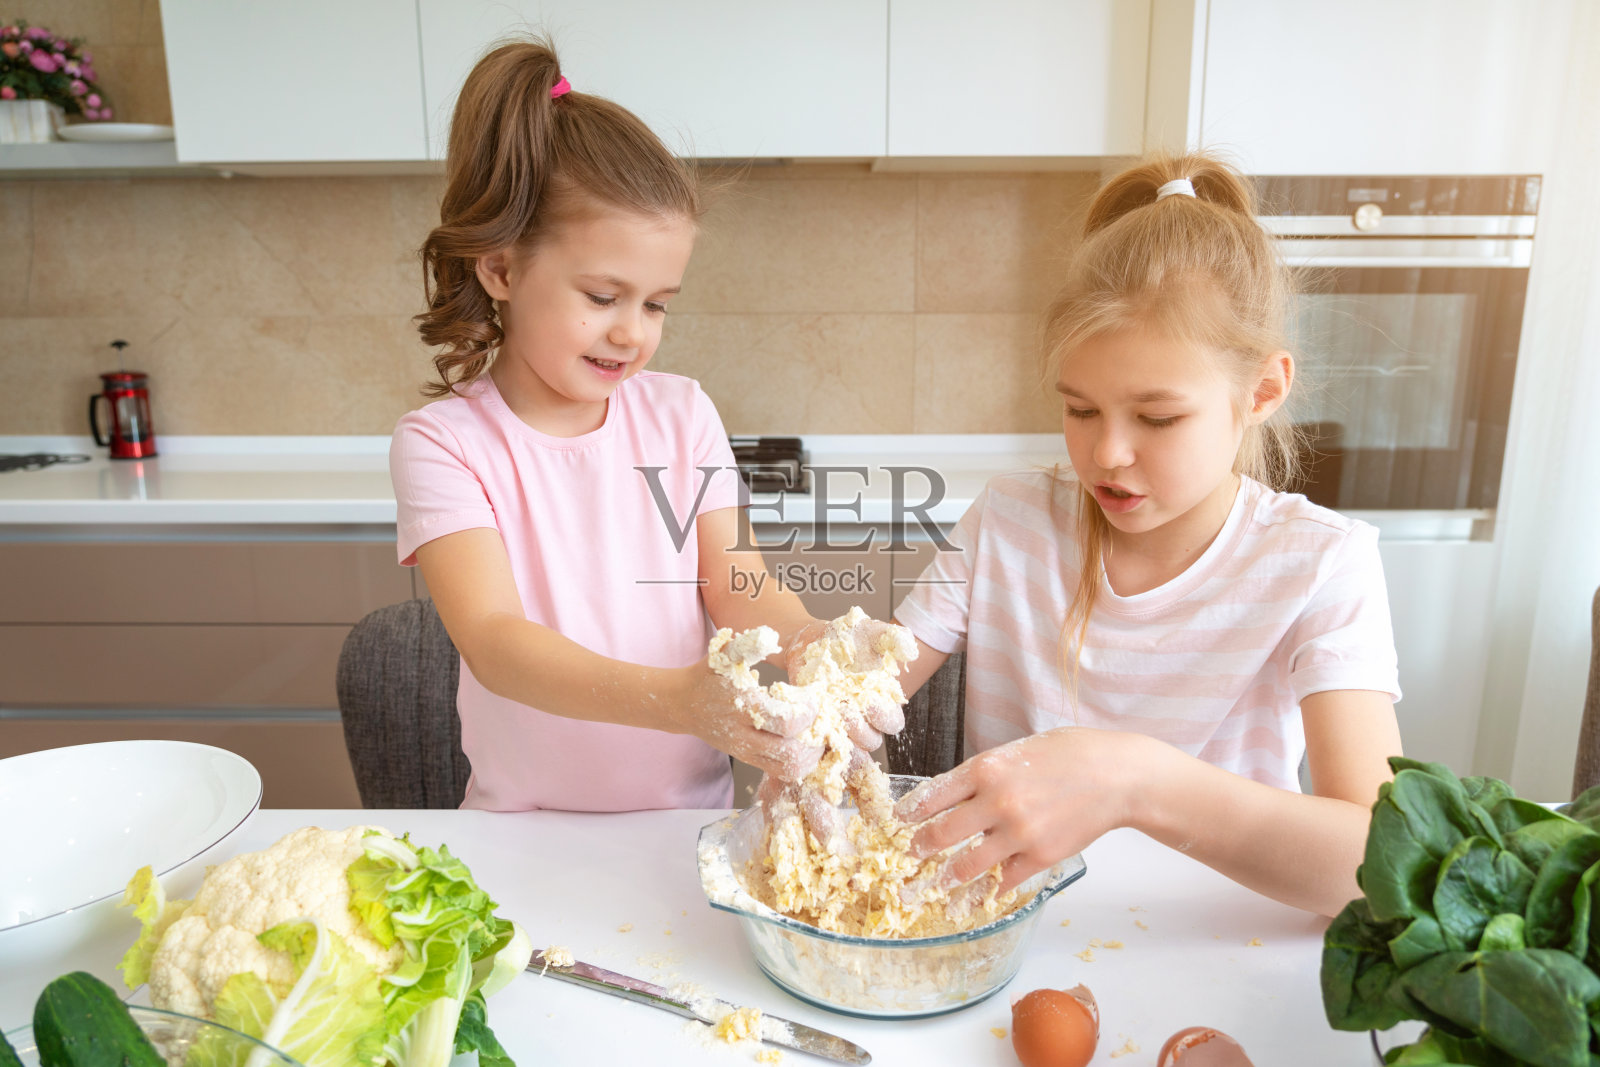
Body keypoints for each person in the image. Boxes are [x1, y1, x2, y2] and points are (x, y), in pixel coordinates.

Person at [889, 152, 1403, 917]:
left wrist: (1134, 779)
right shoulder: (1008, 520)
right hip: (1008, 932)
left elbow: (1382, 867)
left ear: (1260, 390)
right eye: (1081, 409)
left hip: (1216, 943)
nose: (1107, 454)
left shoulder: (1321, 563)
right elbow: (862, 694)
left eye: (1157, 418)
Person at [390, 39, 895, 812]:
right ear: (501, 269)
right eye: (603, 296)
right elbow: (494, 640)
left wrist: (803, 639)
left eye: (657, 303)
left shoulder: (681, 412)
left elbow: (736, 579)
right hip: (522, 833)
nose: (633, 332)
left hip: (685, 830)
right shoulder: (444, 444)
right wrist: (678, 698)